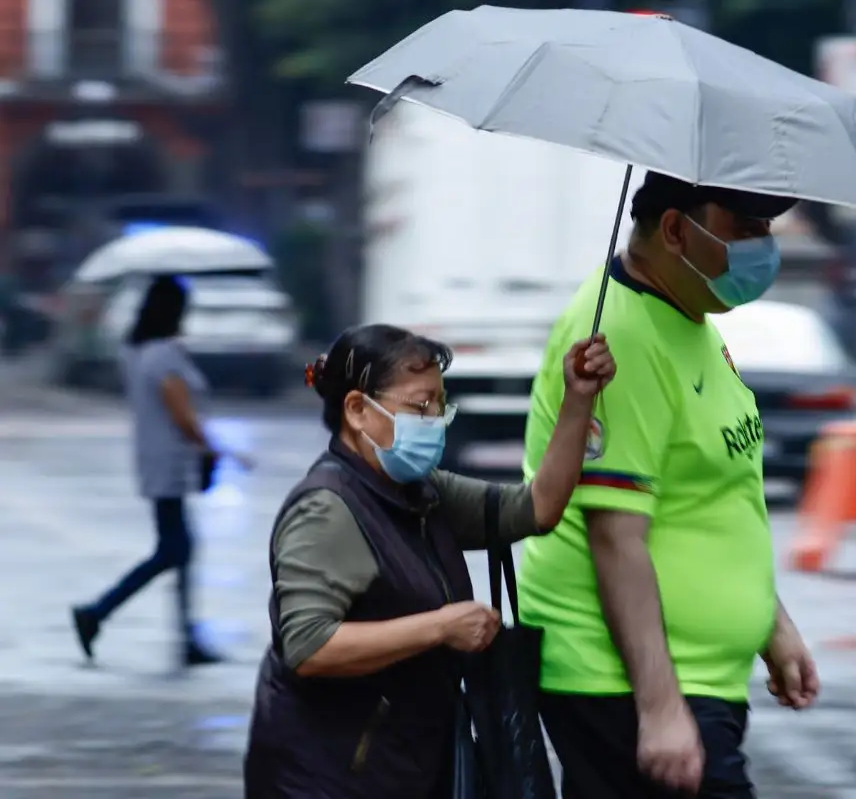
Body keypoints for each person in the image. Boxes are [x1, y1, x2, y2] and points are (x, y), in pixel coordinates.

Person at [519, 172, 822, 799]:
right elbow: (615, 537)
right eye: (745, 230)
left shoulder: (693, 319)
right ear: (677, 230)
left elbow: (714, 498)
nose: (762, 248)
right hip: (625, 682)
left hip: (700, 677)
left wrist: (771, 624)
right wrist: (658, 708)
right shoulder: (620, 335)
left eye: (766, 230)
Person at [242, 323, 615, 799]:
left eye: (440, 406)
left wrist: (578, 399)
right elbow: (309, 647)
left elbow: (537, 508)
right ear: (357, 410)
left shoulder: (422, 492)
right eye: (420, 407)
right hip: (328, 777)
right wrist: (440, 627)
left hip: (405, 765)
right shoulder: (328, 509)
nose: (435, 420)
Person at [71, 274, 243, 667]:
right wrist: (211, 448)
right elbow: (180, 411)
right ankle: (97, 612)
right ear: (174, 311)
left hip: (154, 459)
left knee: (178, 549)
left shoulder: (136, 350)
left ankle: (184, 636)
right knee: (173, 550)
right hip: (171, 462)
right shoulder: (165, 353)